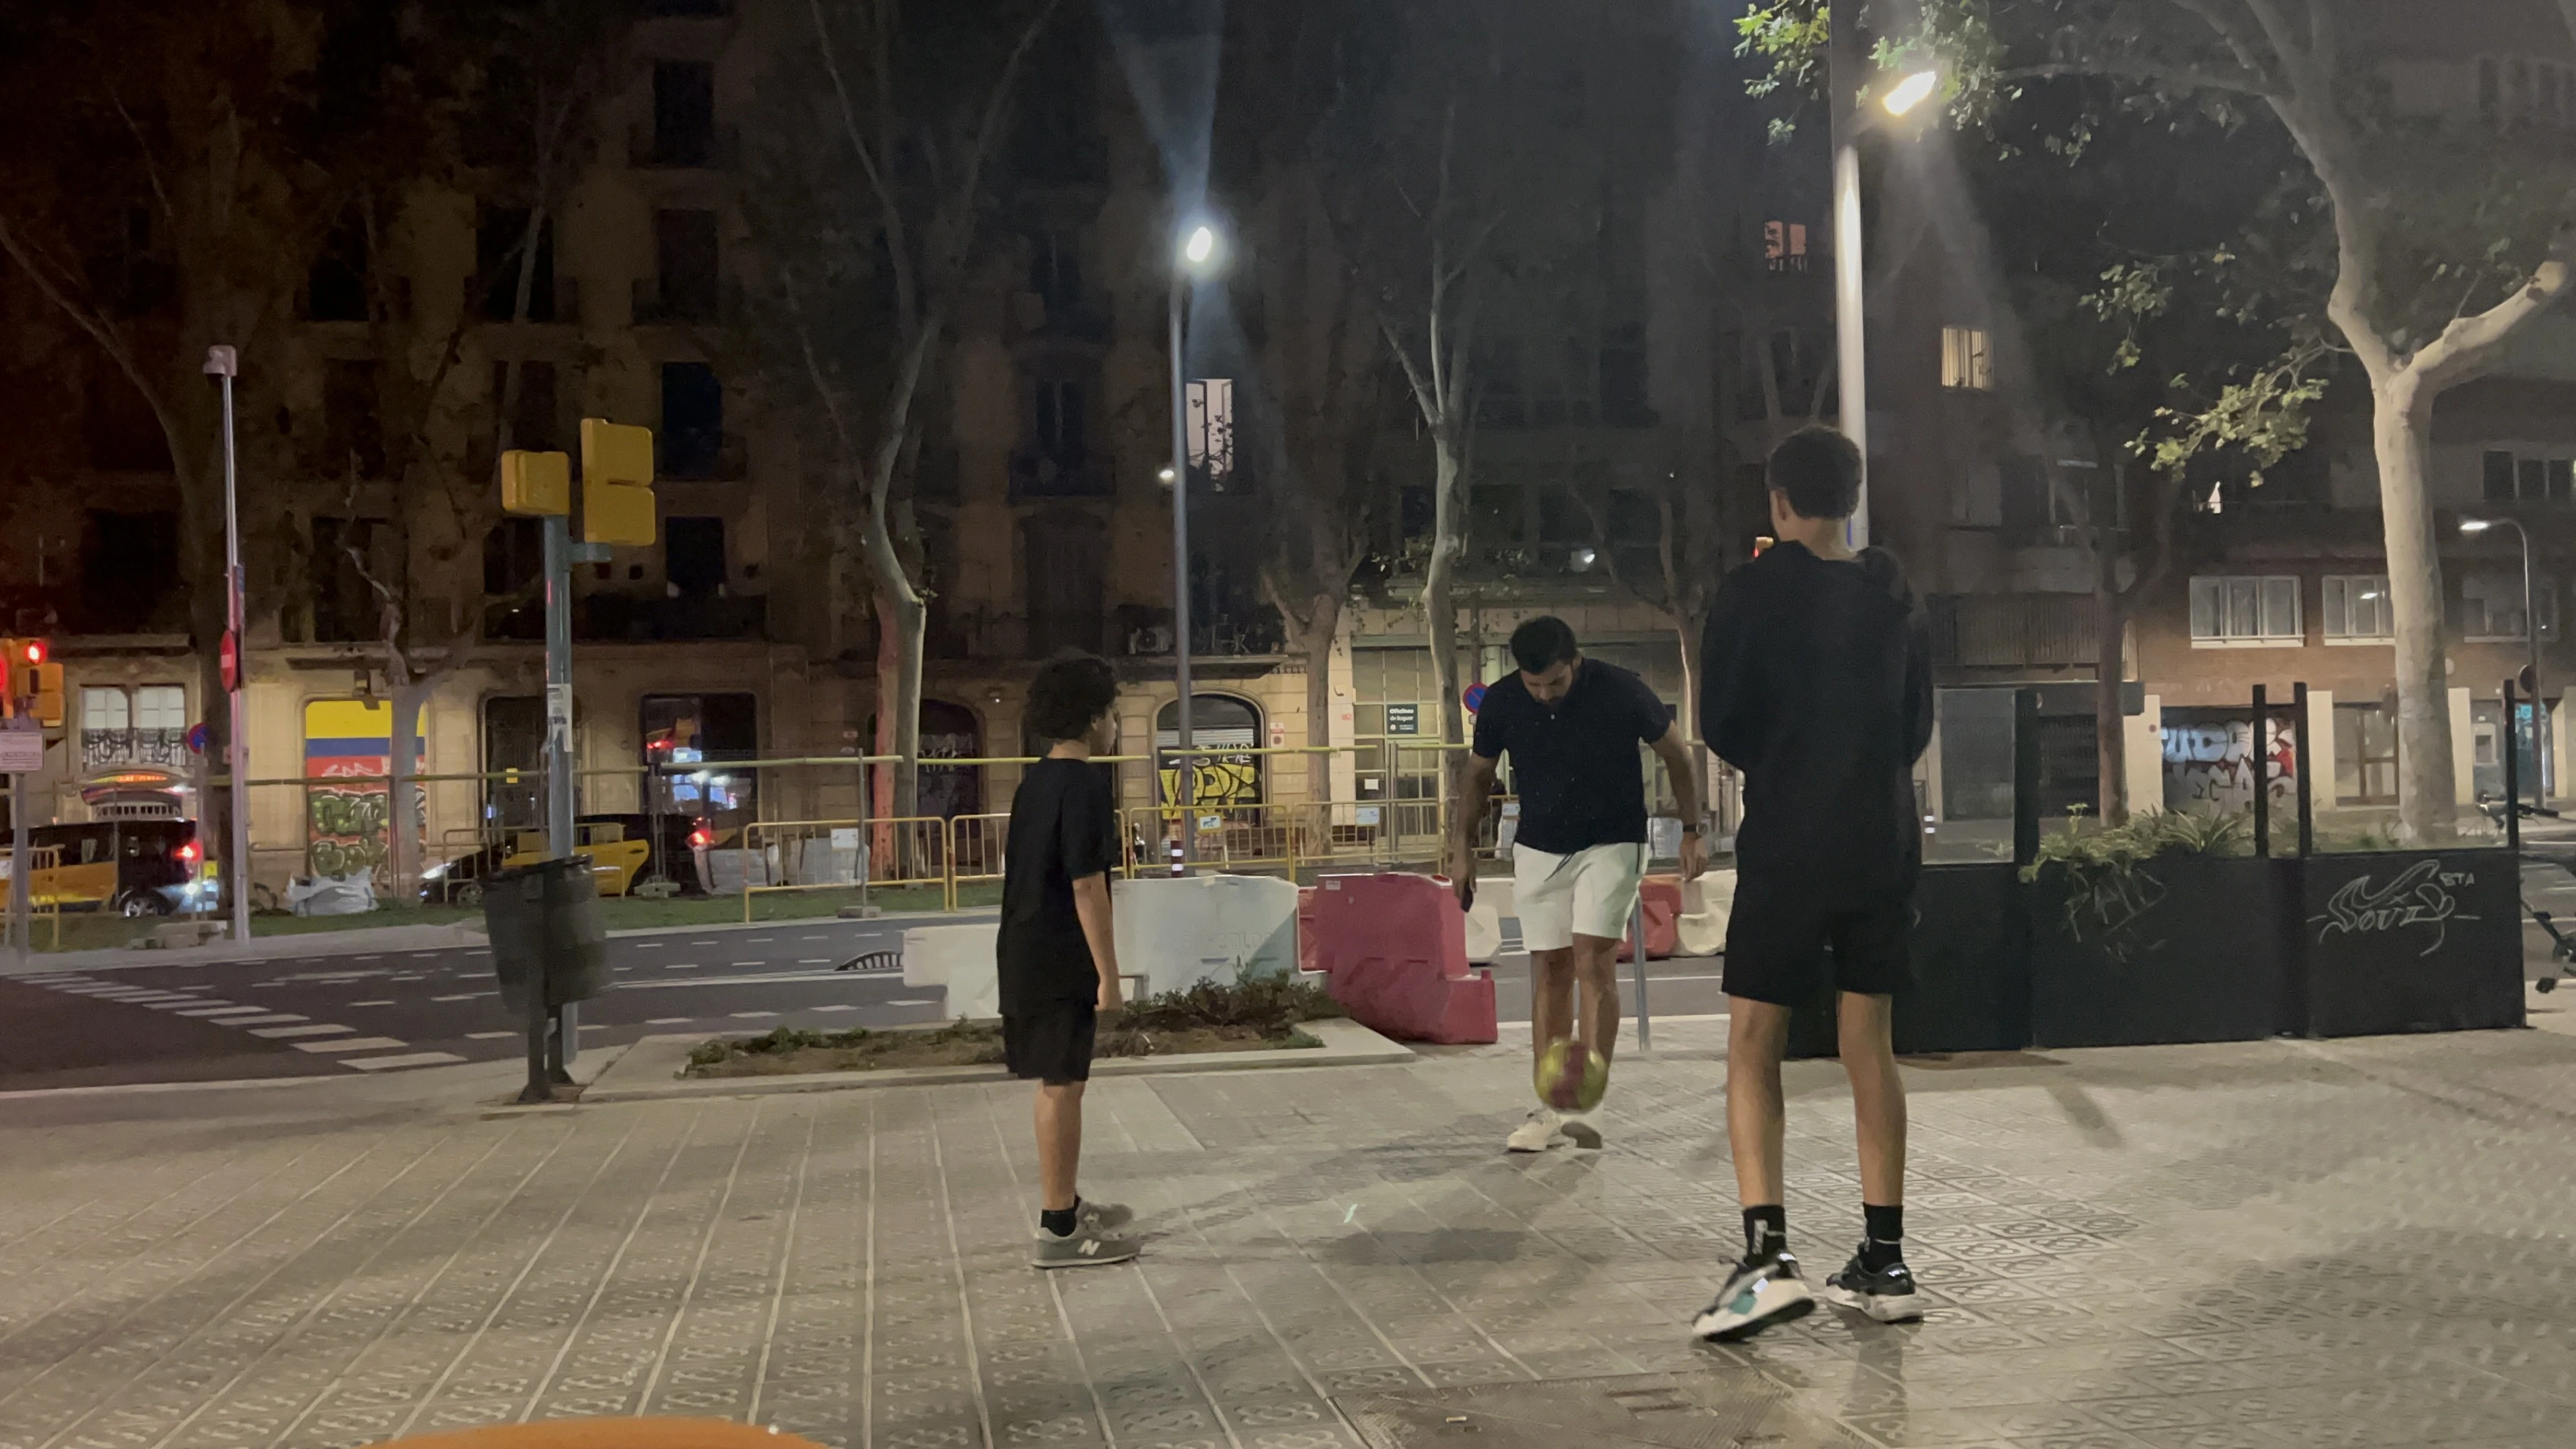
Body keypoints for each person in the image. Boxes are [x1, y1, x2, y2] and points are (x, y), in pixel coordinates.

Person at [1689, 426, 1933, 1341]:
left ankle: (1766, 1257)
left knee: (1755, 1039)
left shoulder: (1751, 592)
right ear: (1852, 499)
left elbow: (1722, 722)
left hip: (1791, 834)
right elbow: (1914, 724)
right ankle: (1886, 1259)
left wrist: (1786, 758)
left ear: (1779, 502)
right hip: (1881, 837)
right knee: (1869, 1038)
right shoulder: (1894, 596)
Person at [1448, 615, 1707, 1153]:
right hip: (1538, 846)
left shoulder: (1621, 689)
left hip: (1613, 842)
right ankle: (1549, 1106)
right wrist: (1461, 851)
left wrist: (1691, 829)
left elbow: (1677, 754)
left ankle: (1589, 1102)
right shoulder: (1503, 701)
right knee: (1550, 970)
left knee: (1593, 960)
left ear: (1576, 661)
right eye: (1534, 685)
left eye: (1556, 683)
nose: (1545, 694)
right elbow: (1477, 776)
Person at [998, 654, 1140, 1268]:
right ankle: (1058, 1227)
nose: (1116, 725)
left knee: (1060, 1082)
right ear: (1092, 718)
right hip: (1060, 953)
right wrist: (1109, 976)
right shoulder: (1085, 786)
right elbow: (1087, 885)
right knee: (1062, 1085)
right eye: (1113, 713)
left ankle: (1067, 1203)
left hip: (1027, 945)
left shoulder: (1034, 783)